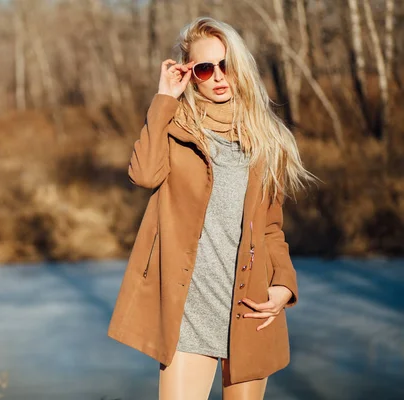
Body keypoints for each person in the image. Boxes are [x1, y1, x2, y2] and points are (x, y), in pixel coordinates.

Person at [107, 17, 318, 400]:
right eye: (206, 68)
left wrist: (284, 285)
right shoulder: (174, 126)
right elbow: (144, 175)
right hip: (188, 308)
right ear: (192, 74)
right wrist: (164, 99)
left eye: (227, 65)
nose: (219, 76)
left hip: (249, 308)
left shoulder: (268, 141)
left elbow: (271, 228)